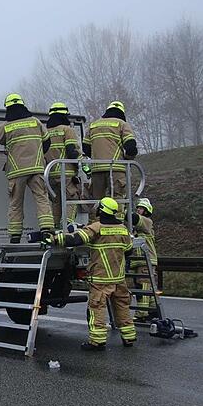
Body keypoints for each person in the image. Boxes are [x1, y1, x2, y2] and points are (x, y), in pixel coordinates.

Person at [47, 197, 136, 350]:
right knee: (122, 306)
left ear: (101, 209)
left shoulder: (97, 227)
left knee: (97, 307)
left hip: (101, 278)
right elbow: (128, 250)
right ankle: (129, 337)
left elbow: (75, 239)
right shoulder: (123, 229)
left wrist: (54, 239)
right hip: (119, 278)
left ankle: (98, 341)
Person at [0, 93, 55, 243]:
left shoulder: (6, 127)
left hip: (17, 172)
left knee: (15, 203)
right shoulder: (35, 122)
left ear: (8, 108)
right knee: (42, 198)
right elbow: (47, 143)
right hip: (37, 169)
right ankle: (47, 230)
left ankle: (15, 237)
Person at [83, 101, 138, 218]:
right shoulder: (122, 124)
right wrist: (127, 159)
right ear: (122, 113)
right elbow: (131, 148)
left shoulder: (93, 125)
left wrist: (97, 157)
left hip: (96, 169)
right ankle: (118, 227)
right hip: (116, 168)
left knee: (97, 201)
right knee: (118, 198)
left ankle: (95, 227)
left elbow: (86, 148)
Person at [42, 102, 81, 228]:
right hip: (66, 173)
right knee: (72, 198)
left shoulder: (45, 132)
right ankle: (68, 224)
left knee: (56, 201)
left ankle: (55, 227)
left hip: (50, 174)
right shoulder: (67, 130)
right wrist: (81, 164)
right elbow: (71, 150)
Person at [130, 198, 158, 321]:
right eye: (137, 208)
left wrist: (123, 209)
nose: (138, 210)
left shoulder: (146, 222)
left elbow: (133, 218)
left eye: (140, 208)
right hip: (140, 261)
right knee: (148, 286)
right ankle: (152, 310)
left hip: (146, 260)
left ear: (146, 211)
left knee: (143, 286)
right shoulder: (138, 228)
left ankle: (141, 313)